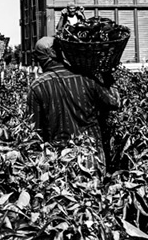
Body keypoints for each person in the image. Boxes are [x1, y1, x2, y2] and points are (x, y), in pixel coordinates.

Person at [26, 37, 115, 173]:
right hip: (92, 154)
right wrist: (107, 74)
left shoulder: (38, 86)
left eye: (38, 58)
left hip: (60, 160)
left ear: (44, 58)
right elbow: (114, 102)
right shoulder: (86, 77)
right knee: (95, 191)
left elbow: (33, 131)